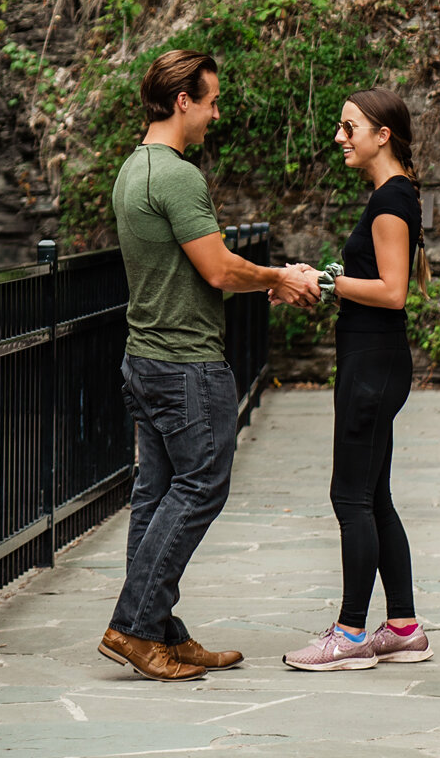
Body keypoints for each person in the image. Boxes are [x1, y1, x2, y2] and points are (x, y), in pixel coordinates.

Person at [100, 49, 320, 682]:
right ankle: (137, 628)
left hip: (144, 358)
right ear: (183, 102)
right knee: (201, 486)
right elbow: (220, 268)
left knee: (156, 495)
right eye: (212, 101)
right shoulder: (176, 175)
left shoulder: (130, 170)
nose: (216, 114)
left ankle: (161, 630)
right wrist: (278, 275)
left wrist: (266, 280)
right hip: (185, 363)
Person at [284, 86, 432, 673]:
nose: (340, 138)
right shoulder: (390, 196)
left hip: (373, 364)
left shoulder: (392, 202)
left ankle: (349, 635)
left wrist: (325, 283)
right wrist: (328, 279)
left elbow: (392, 293)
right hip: (374, 360)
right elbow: (378, 279)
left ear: (382, 135)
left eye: (350, 128)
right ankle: (402, 627)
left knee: (349, 496)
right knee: (373, 496)